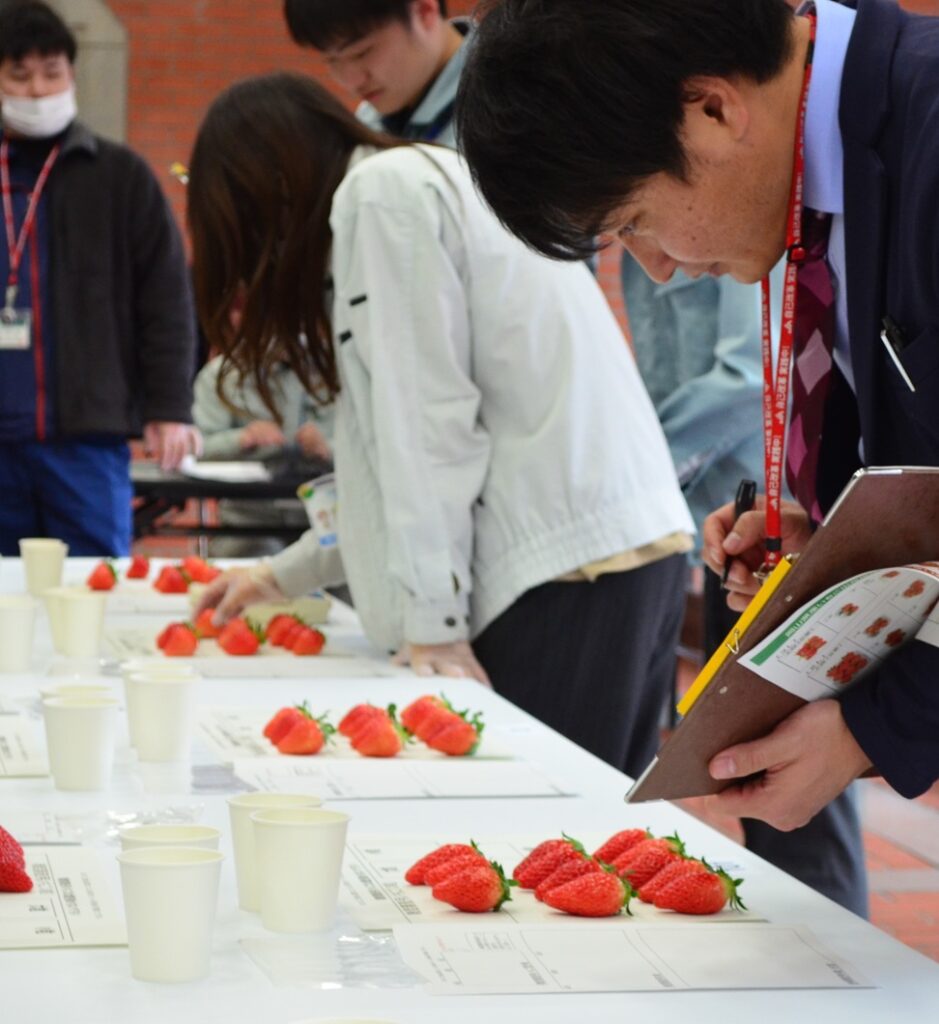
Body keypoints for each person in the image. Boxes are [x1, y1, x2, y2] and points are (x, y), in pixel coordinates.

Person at [454, 0, 939, 915]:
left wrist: (875, 727)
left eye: (634, 221)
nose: (660, 268)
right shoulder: (821, 183)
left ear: (711, 110)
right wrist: (836, 548)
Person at [188, 72, 695, 779]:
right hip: (613, 554)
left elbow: (425, 431)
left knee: (532, 822)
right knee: (578, 817)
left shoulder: (381, 196)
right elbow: (387, 462)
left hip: (567, 571)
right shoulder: (420, 181)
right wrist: (284, 573)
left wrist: (435, 629)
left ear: (270, 190)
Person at [0, 0, 199, 556]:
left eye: (51, 73)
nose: (38, 90)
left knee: (94, 583)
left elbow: (166, 300)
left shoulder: (120, 177)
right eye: (19, 75)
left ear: (72, 73)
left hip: (87, 439)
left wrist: (169, 406)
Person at [191, 355, 334, 556]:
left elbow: (371, 445)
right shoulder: (222, 374)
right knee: (259, 553)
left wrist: (330, 448)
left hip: (326, 520)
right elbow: (194, 450)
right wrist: (241, 439)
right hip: (247, 523)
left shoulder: (337, 367)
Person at [283, 0, 471, 148]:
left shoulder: (486, 114)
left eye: (361, 53)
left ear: (423, 12)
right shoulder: (368, 123)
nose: (352, 82)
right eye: (331, 61)